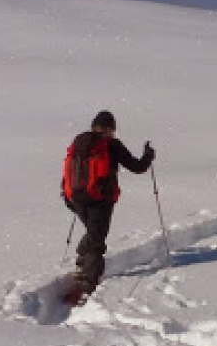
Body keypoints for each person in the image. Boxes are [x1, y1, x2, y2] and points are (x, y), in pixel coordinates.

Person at [62, 110, 154, 300]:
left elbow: (68, 170)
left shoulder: (78, 143)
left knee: (93, 232)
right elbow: (137, 167)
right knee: (97, 240)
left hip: (76, 198)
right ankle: (88, 284)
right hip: (100, 200)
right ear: (111, 129)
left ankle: (83, 262)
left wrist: (69, 196)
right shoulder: (111, 145)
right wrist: (148, 156)